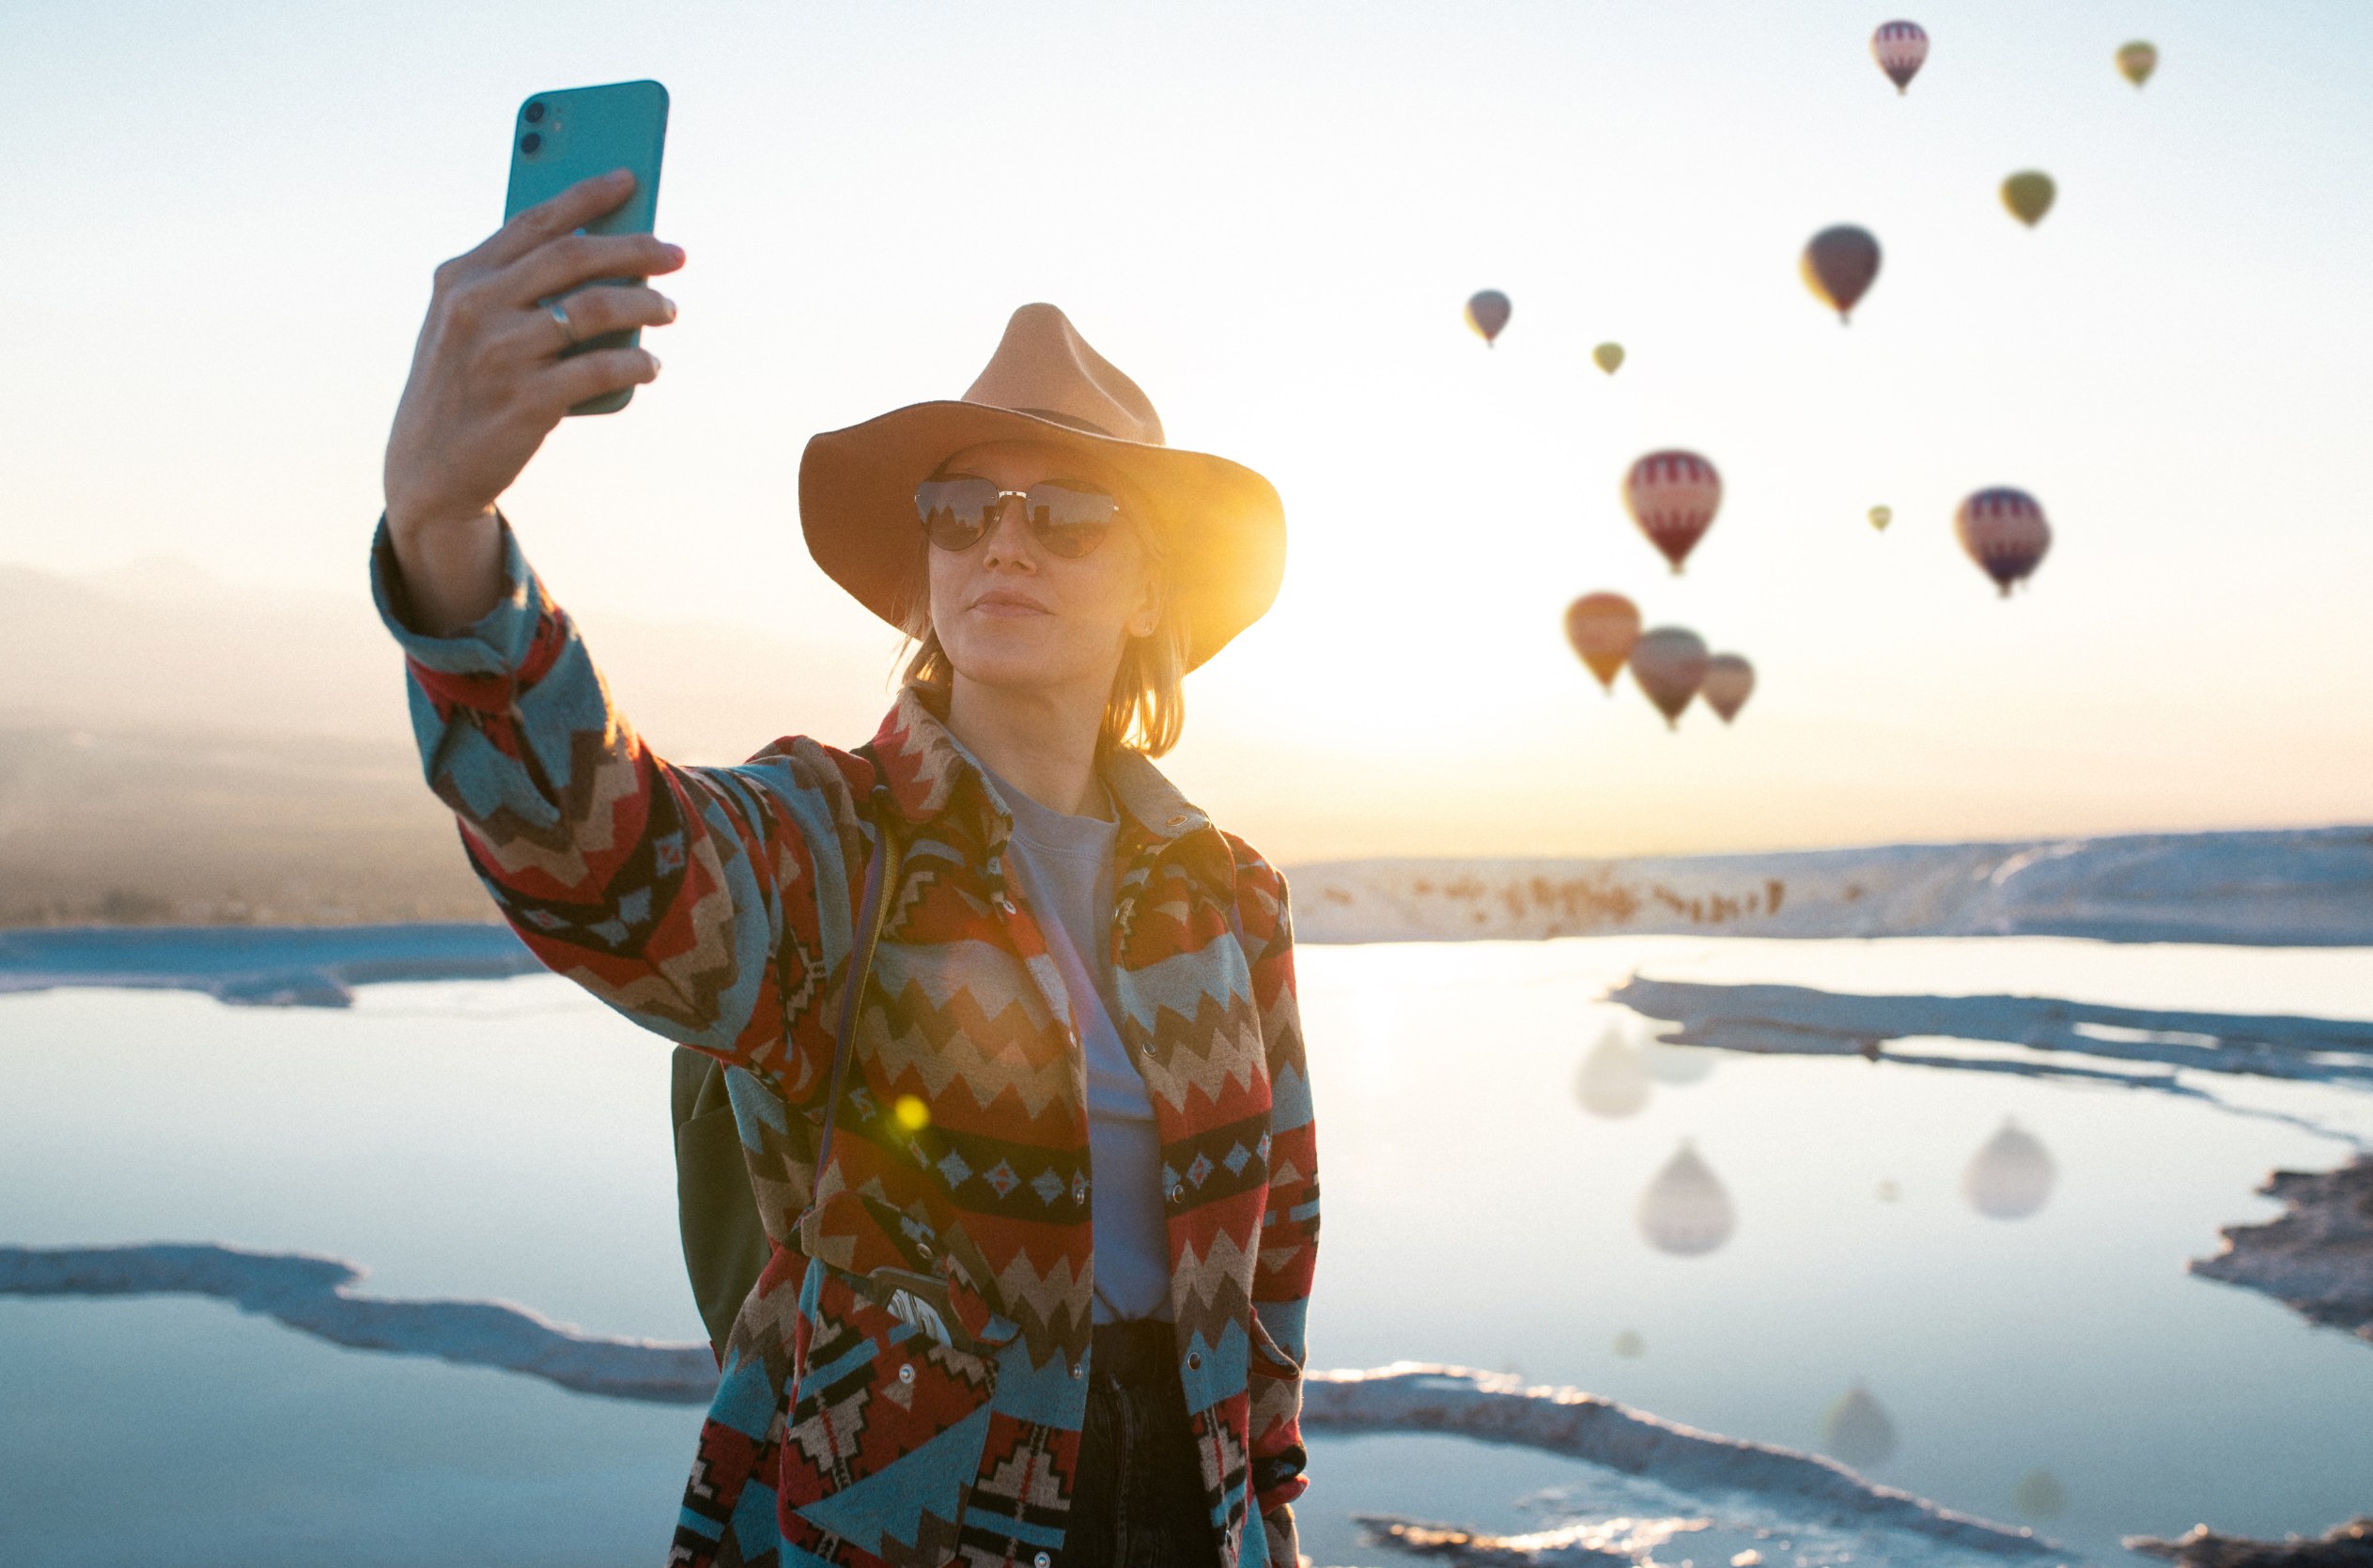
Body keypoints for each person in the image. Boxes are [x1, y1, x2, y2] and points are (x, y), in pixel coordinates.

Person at [374, 169, 1319, 1568]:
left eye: (1065, 513)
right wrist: (444, 535)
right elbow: (607, 863)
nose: (1004, 536)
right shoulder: (832, 835)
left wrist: (1272, 1519)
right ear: (926, 564)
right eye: (961, 508)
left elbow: (1271, 1258)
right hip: (892, 1532)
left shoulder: (1226, 893)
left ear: (1150, 591)